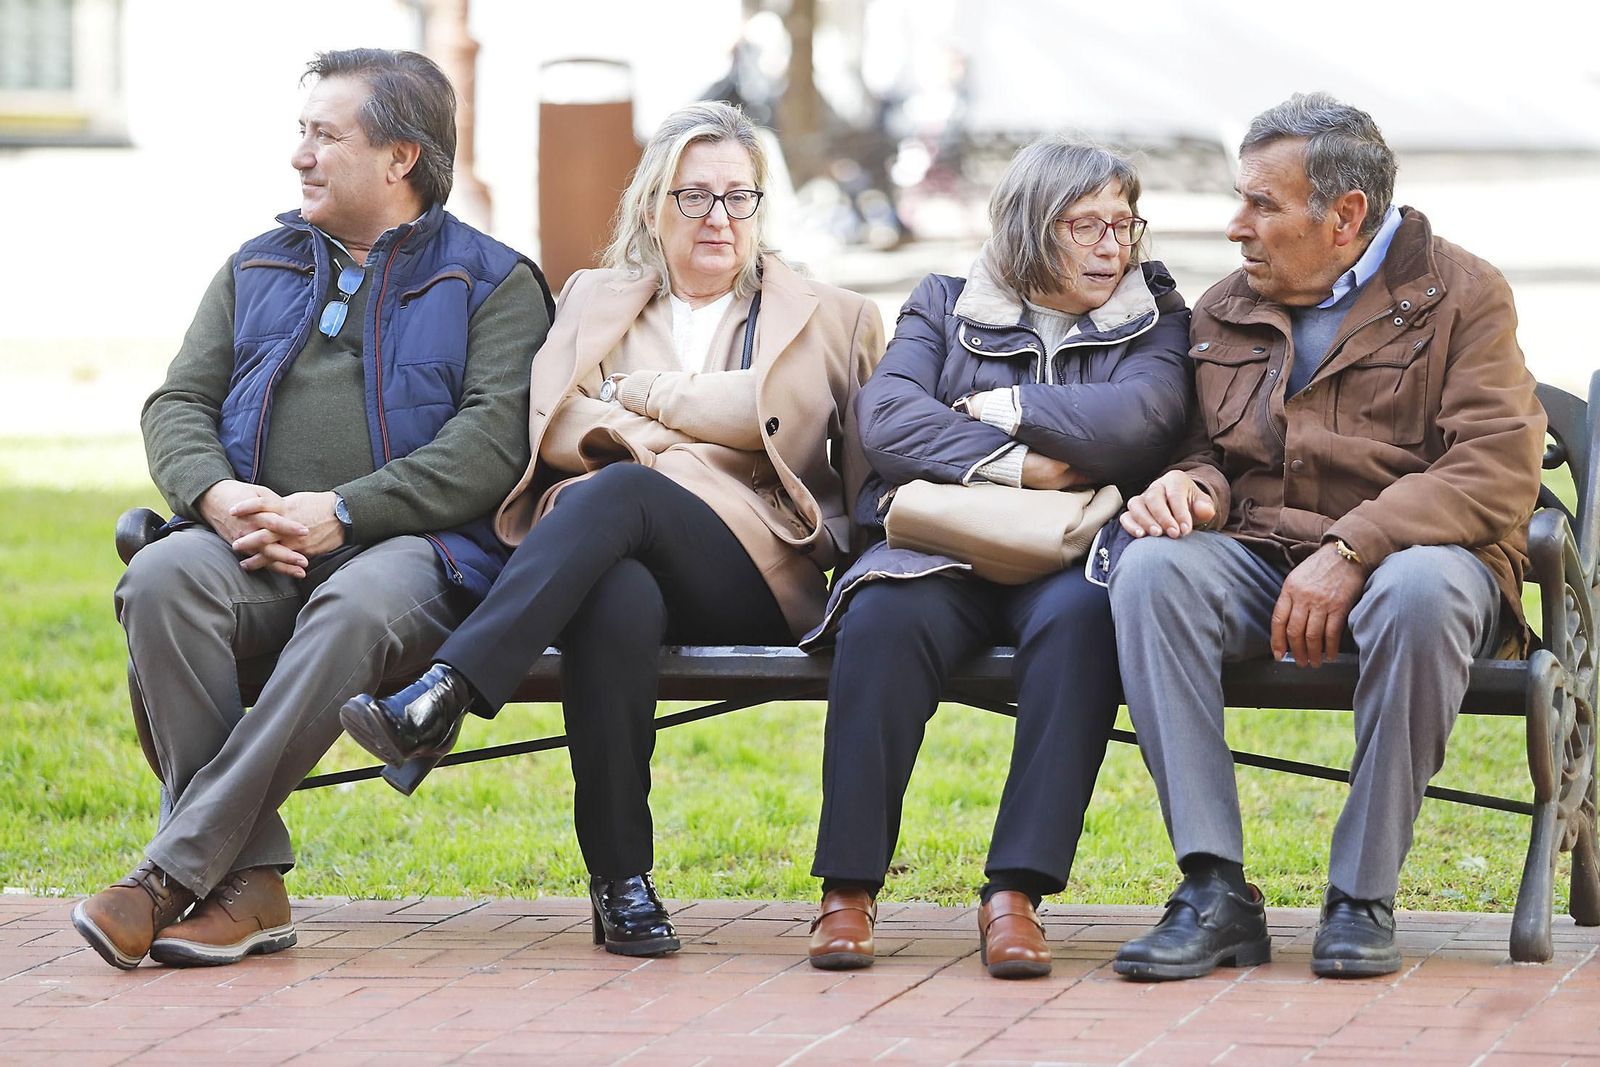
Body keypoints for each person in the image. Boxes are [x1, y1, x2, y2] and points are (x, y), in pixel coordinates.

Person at [340, 101, 886, 957]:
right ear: (652, 206)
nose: (719, 218)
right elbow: (552, 423)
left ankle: (446, 692)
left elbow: (785, 423)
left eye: (740, 198)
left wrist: (637, 401)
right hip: (613, 555)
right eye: (695, 196)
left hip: (753, 571)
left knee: (624, 491)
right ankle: (621, 882)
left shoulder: (835, 316)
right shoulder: (596, 298)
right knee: (617, 593)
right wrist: (698, 431)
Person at [71, 48, 553, 971]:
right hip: (253, 545)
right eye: (302, 132)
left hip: (417, 558)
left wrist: (346, 508)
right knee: (163, 577)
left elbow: (493, 445)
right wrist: (213, 492)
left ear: (400, 158)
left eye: (325, 135)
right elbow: (177, 403)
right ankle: (249, 884)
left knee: (354, 604)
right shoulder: (259, 263)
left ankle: (168, 876)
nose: (300, 156)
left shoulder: (492, 282)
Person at [1108, 93, 1545, 980]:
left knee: (1422, 591)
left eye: (1262, 204)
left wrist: (1352, 549)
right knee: (1152, 571)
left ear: (1344, 216)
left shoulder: (1464, 295)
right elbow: (1208, 450)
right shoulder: (1229, 305)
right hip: (1265, 561)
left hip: (1425, 563)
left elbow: (1496, 469)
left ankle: (1362, 894)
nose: (1237, 227)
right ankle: (1214, 888)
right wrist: (1186, 487)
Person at [800, 139, 1193, 978]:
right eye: (1084, 225)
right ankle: (849, 889)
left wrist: (1009, 402)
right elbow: (888, 419)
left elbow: (1144, 420)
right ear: (1028, 227)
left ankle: (1013, 894)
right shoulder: (944, 301)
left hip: (1070, 557)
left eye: (1123, 224)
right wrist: (1028, 463)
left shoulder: (1155, 312)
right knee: (881, 618)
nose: (1110, 245)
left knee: (1088, 622)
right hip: (943, 548)